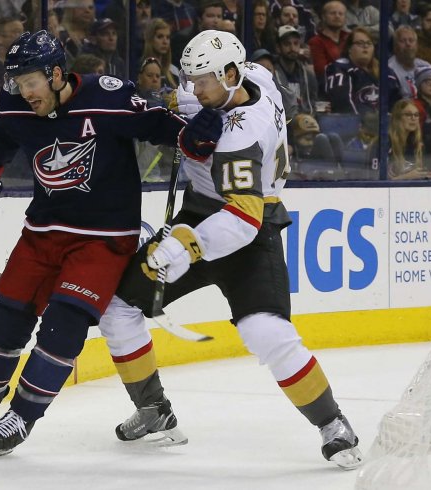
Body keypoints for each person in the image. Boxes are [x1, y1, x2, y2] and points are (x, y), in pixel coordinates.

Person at [0, 29, 222, 459]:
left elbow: (164, 129)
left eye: (31, 81)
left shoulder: (106, 98)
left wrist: (192, 136)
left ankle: (23, 415)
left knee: (64, 323)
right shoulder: (15, 106)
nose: (24, 91)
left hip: (103, 239)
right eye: (17, 82)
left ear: (55, 74)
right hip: (43, 233)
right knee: (6, 319)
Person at [96, 29, 364, 469]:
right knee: (118, 307)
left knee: (267, 333)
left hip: (248, 231)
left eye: (201, 81)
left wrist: (185, 246)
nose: (193, 88)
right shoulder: (256, 75)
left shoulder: (241, 135)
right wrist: (171, 100)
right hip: (201, 211)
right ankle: (153, 410)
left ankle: (332, 424)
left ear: (230, 74)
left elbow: (243, 220)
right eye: (191, 77)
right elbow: (193, 97)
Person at [384, 99, 431, 179]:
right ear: (397, 117)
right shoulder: (384, 143)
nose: (413, 118)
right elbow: (375, 181)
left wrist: (429, 176)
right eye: (408, 114)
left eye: (416, 115)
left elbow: (422, 172)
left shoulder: (418, 146)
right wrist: (406, 177)